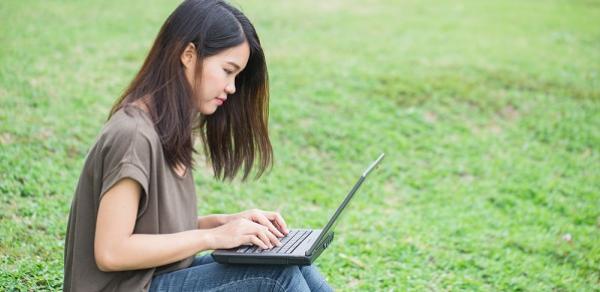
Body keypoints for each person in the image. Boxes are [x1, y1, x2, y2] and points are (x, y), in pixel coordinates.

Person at [62, 0, 333, 291]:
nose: (232, 87)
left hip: (156, 276)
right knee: (276, 278)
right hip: (127, 286)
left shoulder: (166, 126)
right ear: (189, 54)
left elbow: (154, 228)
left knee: (291, 262)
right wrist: (213, 238)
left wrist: (224, 224)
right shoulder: (133, 135)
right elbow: (112, 252)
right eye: (228, 71)